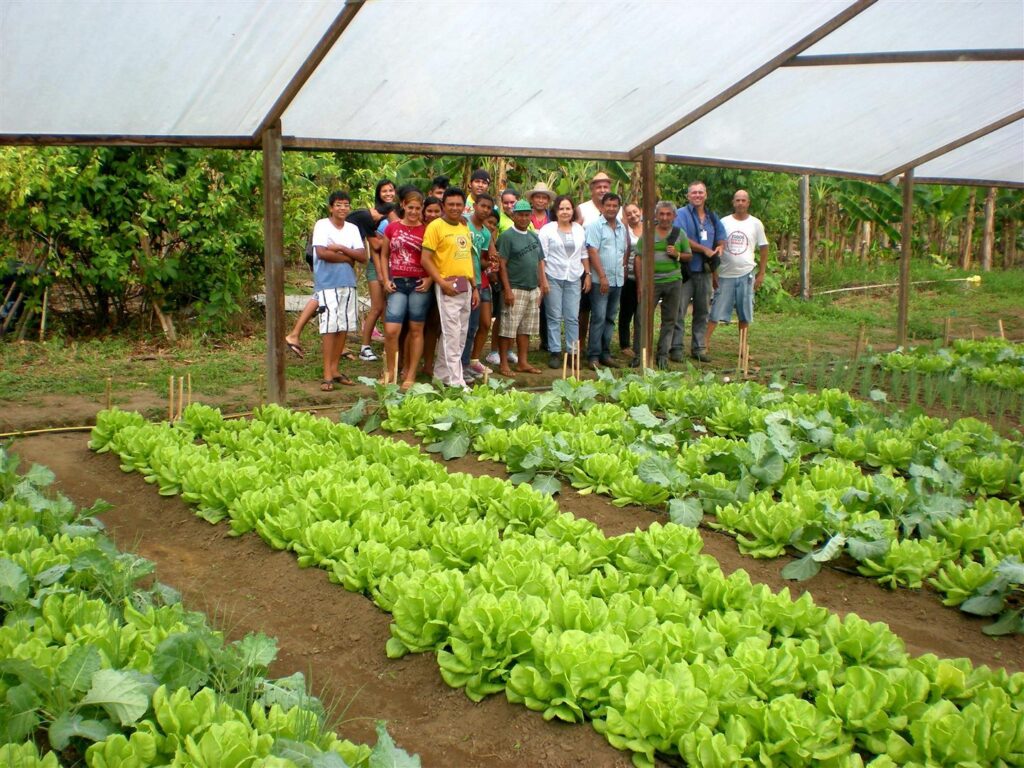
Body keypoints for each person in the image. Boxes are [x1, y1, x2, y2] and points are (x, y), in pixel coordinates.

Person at [285, 202, 388, 359]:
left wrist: (347, 254)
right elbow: (373, 245)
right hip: (323, 257)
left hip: (331, 259)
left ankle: (298, 335)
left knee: (321, 296)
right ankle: (296, 335)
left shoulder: (358, 218)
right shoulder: (366, 218)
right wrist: (348, 257)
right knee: (322, 295)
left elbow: (360, 256)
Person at [419, 187, 477, 389]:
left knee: (460, 334)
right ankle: (456, 382)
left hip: (465, 286)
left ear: (464, 206)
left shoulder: (463, 226)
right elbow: (426, 259)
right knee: (451, 334)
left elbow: (468, 257)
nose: (454, 208)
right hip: (447, 286)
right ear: (443, 205)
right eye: (450, 204)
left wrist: (474, 286)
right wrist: (441, 283)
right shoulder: (436, 227)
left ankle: (442, 374)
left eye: (458, 204)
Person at [310, 191, 366, 390]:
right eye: (339, 205)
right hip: (327, 283)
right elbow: (322, 253)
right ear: (331, 207)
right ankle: (326, 373)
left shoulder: (352, 228)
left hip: (348, 283)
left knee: (343, 326)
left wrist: (340, 248)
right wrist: (346, 257)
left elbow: (361, 256)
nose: (343, 208)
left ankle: (335, 369)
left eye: (346, 205)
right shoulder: (322, 225)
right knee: (328, 328)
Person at [706, 189, 769, 354]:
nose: (740, 203)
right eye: (737, 200)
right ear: (733, 203)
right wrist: (714, 272)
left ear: (748, 203)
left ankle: (743, 347)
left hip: (746, 274)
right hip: (725, 274)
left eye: (743, 200)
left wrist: (761, 273)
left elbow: (764, 247)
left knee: (744, 313)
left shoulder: (756, 223)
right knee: (715, 311)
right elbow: (715, 248)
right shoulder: (724, 222)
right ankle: (704, 345)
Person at [380, 189, 430, 390]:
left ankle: (410, 375)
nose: (414, 212)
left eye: (418, 208)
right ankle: (390, 372)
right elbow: (384, 255)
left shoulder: (427, 230)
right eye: (410, 207)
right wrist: (385, 279)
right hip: (397, 283)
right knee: (392, 330)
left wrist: (429, 279)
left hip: (419, 284)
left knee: (417, 330)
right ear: (403, 205)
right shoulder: (392, 228)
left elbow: (434, 259)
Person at [671, 180, 725, 363]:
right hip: (686, 270)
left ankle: (699, 347)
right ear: (688, 196)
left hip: (705, 271)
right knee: (679, 310)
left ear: (706, 195)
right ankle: (676, 347)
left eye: (701, 192)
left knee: (702, 311)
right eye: (694, 192)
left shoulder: (712, 216)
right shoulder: (681, 214)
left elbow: (721, 237)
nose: (697, 195)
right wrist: (704, 249)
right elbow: (682, 237)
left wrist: (719, 249)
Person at [631, 201, 689, 368]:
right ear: (656, 215)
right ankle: (640, 353)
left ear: (674, 216)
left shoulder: (680, 234)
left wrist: (677, 255)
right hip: (651, 283)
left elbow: (688, 255)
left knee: (670, 319)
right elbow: (639, 258)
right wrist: (641, 284)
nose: (664, 217)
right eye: (661, 214)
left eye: (668, 214)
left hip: (673, 281)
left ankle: (662, 355)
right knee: (642, 317)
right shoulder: (648, 234)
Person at [497, 200, 548, 376]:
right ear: (514, 216)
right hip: (515, 287)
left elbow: (540, 261)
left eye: (527, 215)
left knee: (526, 328)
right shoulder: (507, 237)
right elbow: (502, 265)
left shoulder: (534, 236)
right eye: (520, 214)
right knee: (508, 328)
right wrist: (507, 290)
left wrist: (543, 283)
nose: (524, 218)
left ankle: (523, 362)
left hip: (532, 288)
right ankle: (504, 364)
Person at [538, 195, 589, 369]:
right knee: (553, 316)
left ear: (573, 210)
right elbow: (541, 257)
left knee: (572, 316)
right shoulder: (547, 229)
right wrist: (543, 279)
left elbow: (583, 253)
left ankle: (573, 352)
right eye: (561, 208)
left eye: (568, 208)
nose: (565, 211)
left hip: (574, 276)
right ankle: (554, 352)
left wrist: (587, 274)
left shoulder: (579, 229)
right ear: (555, 211)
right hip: (553, 275)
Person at [584, 193, 628, 368]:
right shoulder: (595, 226)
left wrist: (623, 268)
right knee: (599, 317)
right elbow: (592, 251)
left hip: (617, 280)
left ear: (618, 208)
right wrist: (602, 276)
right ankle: (593, 355)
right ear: (602, 207)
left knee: (610, 317)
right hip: (600, 281)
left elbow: (623, 250)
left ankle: (605, 353)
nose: (611, 208)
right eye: (608, 205)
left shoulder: (621, 227)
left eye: (615, 205)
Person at [462, 193, 498, 381]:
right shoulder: (463, 223)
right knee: (463, 327)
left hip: (477, 282)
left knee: (473, 326)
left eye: (488, 207)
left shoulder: (485, 233)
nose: (485, 210)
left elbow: (481, 261)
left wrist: (491, 262)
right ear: (475, 205)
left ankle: (466, 364)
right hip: (462, 280)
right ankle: (458, 366)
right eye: (482, 206)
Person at [419, 196, 444, 378]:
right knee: (413, 324)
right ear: (423, 211)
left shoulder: (444, 229)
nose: (433, 215)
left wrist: (432, 278)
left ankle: (428, 363)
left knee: (433, 325)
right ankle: (404, 363)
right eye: (430, 211)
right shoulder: (419, 229)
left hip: (438, 280)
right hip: (417, 281)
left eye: (437, 211)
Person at [618, 203, 643, 359]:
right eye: (628, 214)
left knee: (641, 312)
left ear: (640, 211)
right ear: (625, 217)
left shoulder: (649, 229)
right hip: (628, 276)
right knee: (626, 311)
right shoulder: (623, 230)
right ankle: (625, 344)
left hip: (645, 276)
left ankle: (639, 343)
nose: (633, 215)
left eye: (635, 211)